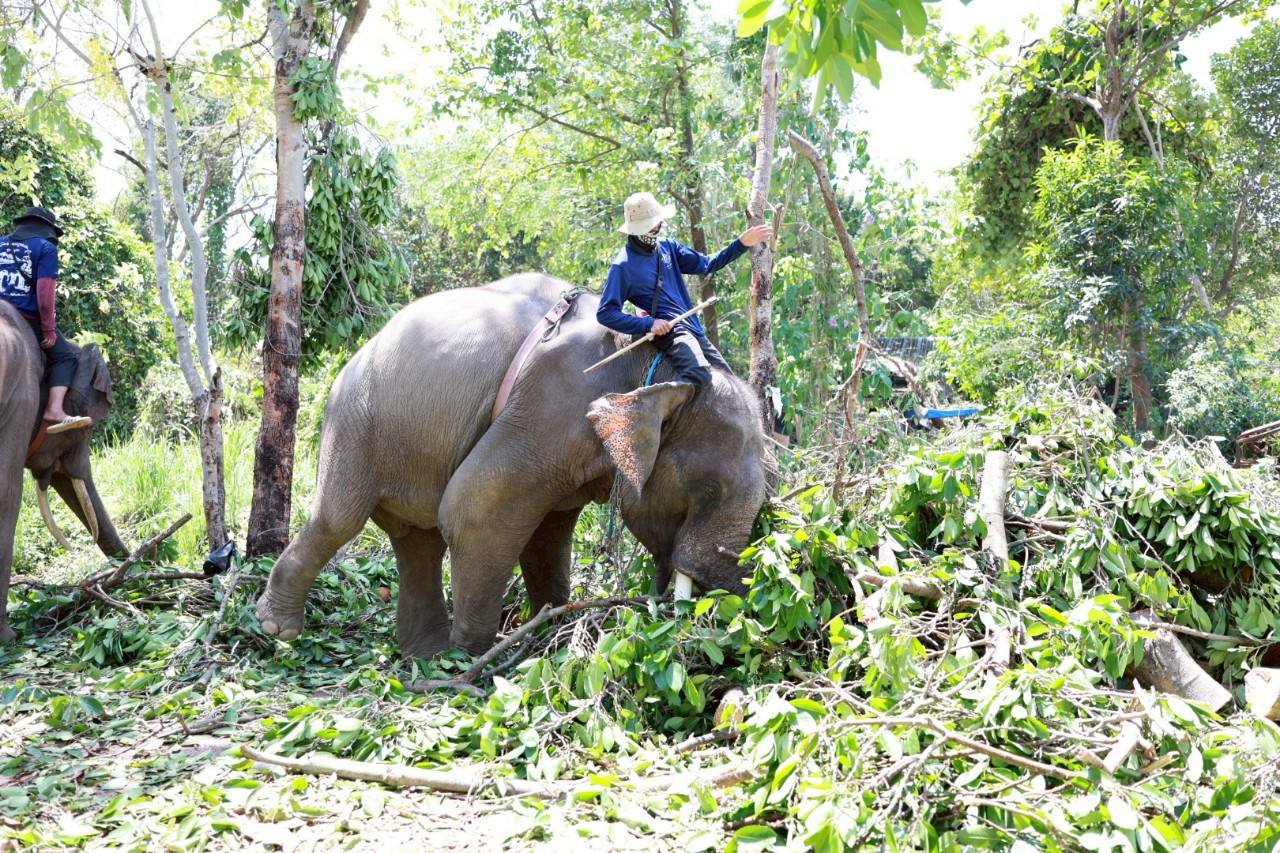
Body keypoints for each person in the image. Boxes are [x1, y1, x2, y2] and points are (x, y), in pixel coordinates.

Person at [597, 192, 772, 387]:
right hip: (671, 333)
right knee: (699, 374)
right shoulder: (622, 266)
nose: (657, 226)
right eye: (651, 225)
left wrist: (741, 243)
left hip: (693, 328)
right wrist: (649, 323)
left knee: (732, 385)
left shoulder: (667, 247)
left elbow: (707, 263)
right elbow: (606, 313)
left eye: (657, 222)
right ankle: (652, 402)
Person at [0, 207, 91, 433]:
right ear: (47, 230)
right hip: (24, 317)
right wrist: (48, 330)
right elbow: (44, 296)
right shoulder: (45, 248)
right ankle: (54, 409)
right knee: (65, 358)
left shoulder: (1, 243)